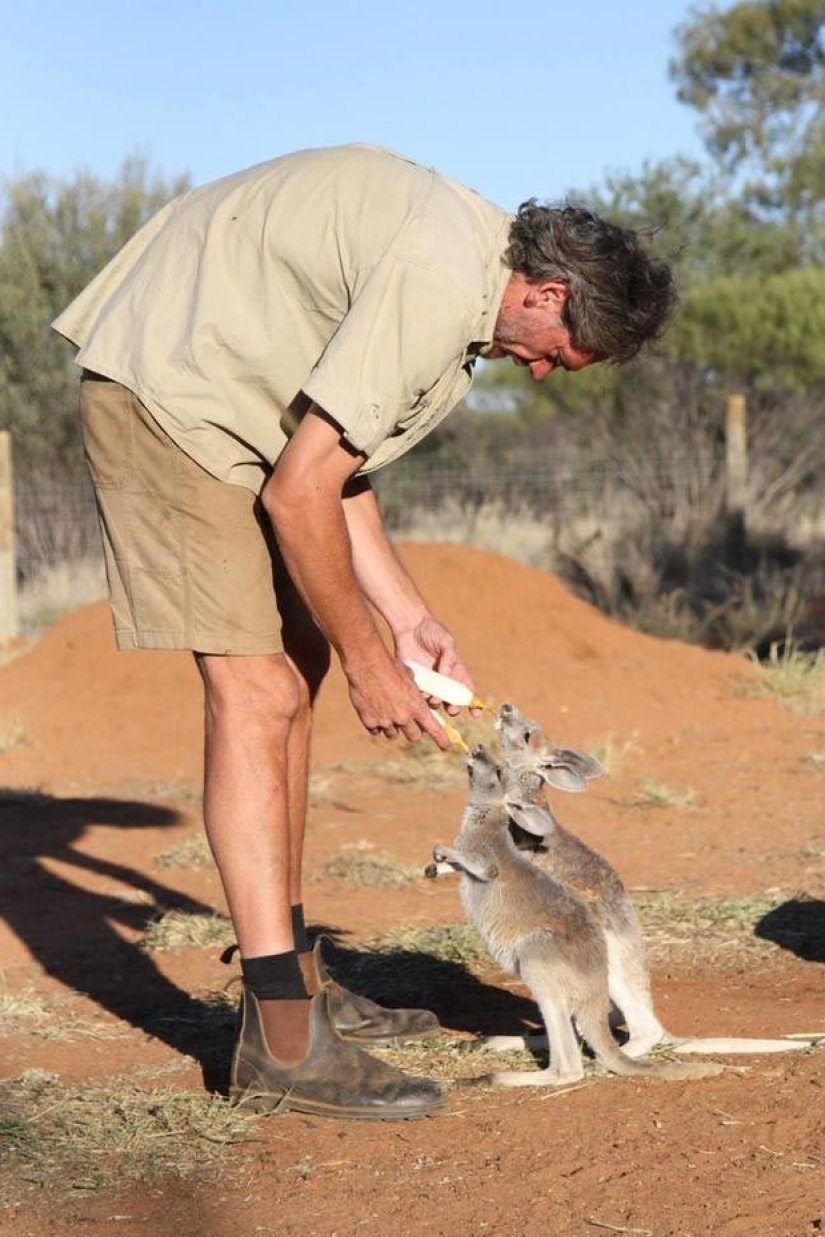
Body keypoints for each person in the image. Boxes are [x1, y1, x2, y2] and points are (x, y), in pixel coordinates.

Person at [53, 143, 675, 1122]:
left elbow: (333, 468)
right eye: (559, 353)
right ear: (549, 292)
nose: (546, 374)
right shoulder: (439, 284)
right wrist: (370, 660)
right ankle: (282, 1037)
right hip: (169, 390)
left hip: (238, 402)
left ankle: (295, 979)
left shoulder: (469, 282)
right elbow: (299, 492)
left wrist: (407, 613)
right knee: (257, 690)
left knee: (288, 673)